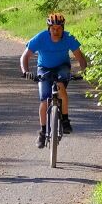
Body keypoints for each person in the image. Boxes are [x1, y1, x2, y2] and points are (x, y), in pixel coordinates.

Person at [19, 13, 89, 149]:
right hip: (44, 68)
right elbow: (25, 57)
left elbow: (80, 57)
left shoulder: (69, 38)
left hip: (62, 67)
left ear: (63, 28)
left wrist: (83, 71)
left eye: (58, 28)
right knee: (44, 100)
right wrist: (26, 71)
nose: (56, 31)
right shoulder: (40, 38)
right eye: (53, 28)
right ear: (48, 28)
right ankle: (43, 131)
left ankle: (65, 120)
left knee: (61, 84)